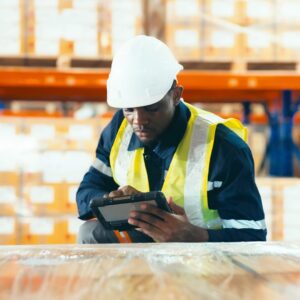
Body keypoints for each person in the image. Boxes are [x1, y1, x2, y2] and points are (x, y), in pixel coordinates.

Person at [76, 35, 266, 243]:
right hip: (144, 256)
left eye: (151, 108)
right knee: (89, 233)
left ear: (176, 95)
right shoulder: (119, 130)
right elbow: (87, 192)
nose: (139, 121)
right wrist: (110, 200)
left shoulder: (223, 147)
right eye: (129, 109)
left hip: (206, 266)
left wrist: (195, 236)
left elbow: (253, 236)